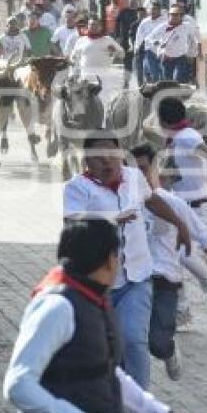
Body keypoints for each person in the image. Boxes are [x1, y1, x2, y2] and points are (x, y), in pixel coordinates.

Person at [3, 218, 190, 413]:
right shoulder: (57, 307)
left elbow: (107, 374)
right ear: (111, 260)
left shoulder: (94, 301)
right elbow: (18, 384)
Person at [63, 135, 192, 390]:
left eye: (112, 155)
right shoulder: (77, 187)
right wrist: (111, 218)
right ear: (87, 161)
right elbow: (72, 220)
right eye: (99, 158)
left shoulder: (134, 177)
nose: (107, 162)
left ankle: (142, 407)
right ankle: (118, 402)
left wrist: (180, 224)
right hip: (99, 285)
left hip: (137, 277)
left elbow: (152, 201)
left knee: (133, 340)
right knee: (109, 349)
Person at [130, 144, 207, 380]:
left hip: (166, 280)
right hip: (134, 281)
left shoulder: (172, 203)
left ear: (155, 169)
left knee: (158, 342)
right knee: (130, 337)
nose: (140, 176)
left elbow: (203, 237)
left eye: (144, 169)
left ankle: (168, 349)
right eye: (133, 170)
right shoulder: (123, 202)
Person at [157, 97, 207, 326]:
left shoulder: (187, 137)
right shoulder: (175, 139)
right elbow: (173, 176)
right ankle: (182, 309)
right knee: (174, 257)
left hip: (199, 208)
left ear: (163, 119)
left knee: (182, 255)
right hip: (180, 207)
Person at [146, 4, 193, 83]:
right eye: (172, 15)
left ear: (181, 16)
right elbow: (148, 38)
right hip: (167, 58)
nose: (175, 17)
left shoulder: (187, 26)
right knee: (168, 81)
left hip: (180, 57)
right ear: (169, 15)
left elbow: (193, 38)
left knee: (177, 78)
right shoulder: (163, 27)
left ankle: (177, 94)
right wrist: (155, 42)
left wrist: (191, 53)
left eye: (177, 15)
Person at [135, 0, 166, 84]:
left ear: (159, 10)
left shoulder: (165, 20)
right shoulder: (145, 22)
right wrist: (137, 47)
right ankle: (154, 89)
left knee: (163, 72)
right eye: (151, 9)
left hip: (162, 51)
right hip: (149, 50)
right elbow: (139, 35)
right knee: (154, 72)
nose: (153, 11)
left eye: (156, 9)